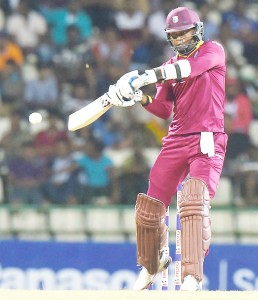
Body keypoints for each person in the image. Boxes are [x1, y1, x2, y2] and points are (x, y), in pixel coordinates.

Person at [106, 6, 227, 291]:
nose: (181, 38)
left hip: (207, 138)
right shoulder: (169, 64)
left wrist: (146, 75)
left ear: (196, 30)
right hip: (176, 139)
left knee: (193, 199)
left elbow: (189, 68)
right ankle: (151, 264)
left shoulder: (213, 51)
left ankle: (191, 275)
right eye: (174, 34)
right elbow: (163, 109)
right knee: (150, 206)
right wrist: (139, 96)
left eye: (184, 32)